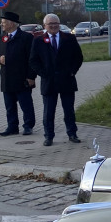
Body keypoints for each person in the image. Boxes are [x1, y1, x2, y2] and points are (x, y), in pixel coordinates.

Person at [29, 14, 84, 146]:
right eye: (50, 24)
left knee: (69, 110)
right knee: (48, 111)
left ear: (59, 24)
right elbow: (33, 61)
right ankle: (49, 136)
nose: (53, 26)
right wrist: (43, 73)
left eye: (55, 23)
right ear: (45, 26)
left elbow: (78, 57)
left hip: (67, 80)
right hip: (49, 81)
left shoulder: (69, 38)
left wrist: (71, 72)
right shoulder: (38, 40)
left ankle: (72, 133)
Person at [0, 10, 37, 136]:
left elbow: (32, 59)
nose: (1, 25)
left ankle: (28, 126)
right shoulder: (2, 38)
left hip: (22, 77)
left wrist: (31, 76)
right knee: (9, 105)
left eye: (3, 22)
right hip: (6, 78)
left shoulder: (26, 37)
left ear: (11, 23)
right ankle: (12, 126)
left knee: (26, 104)